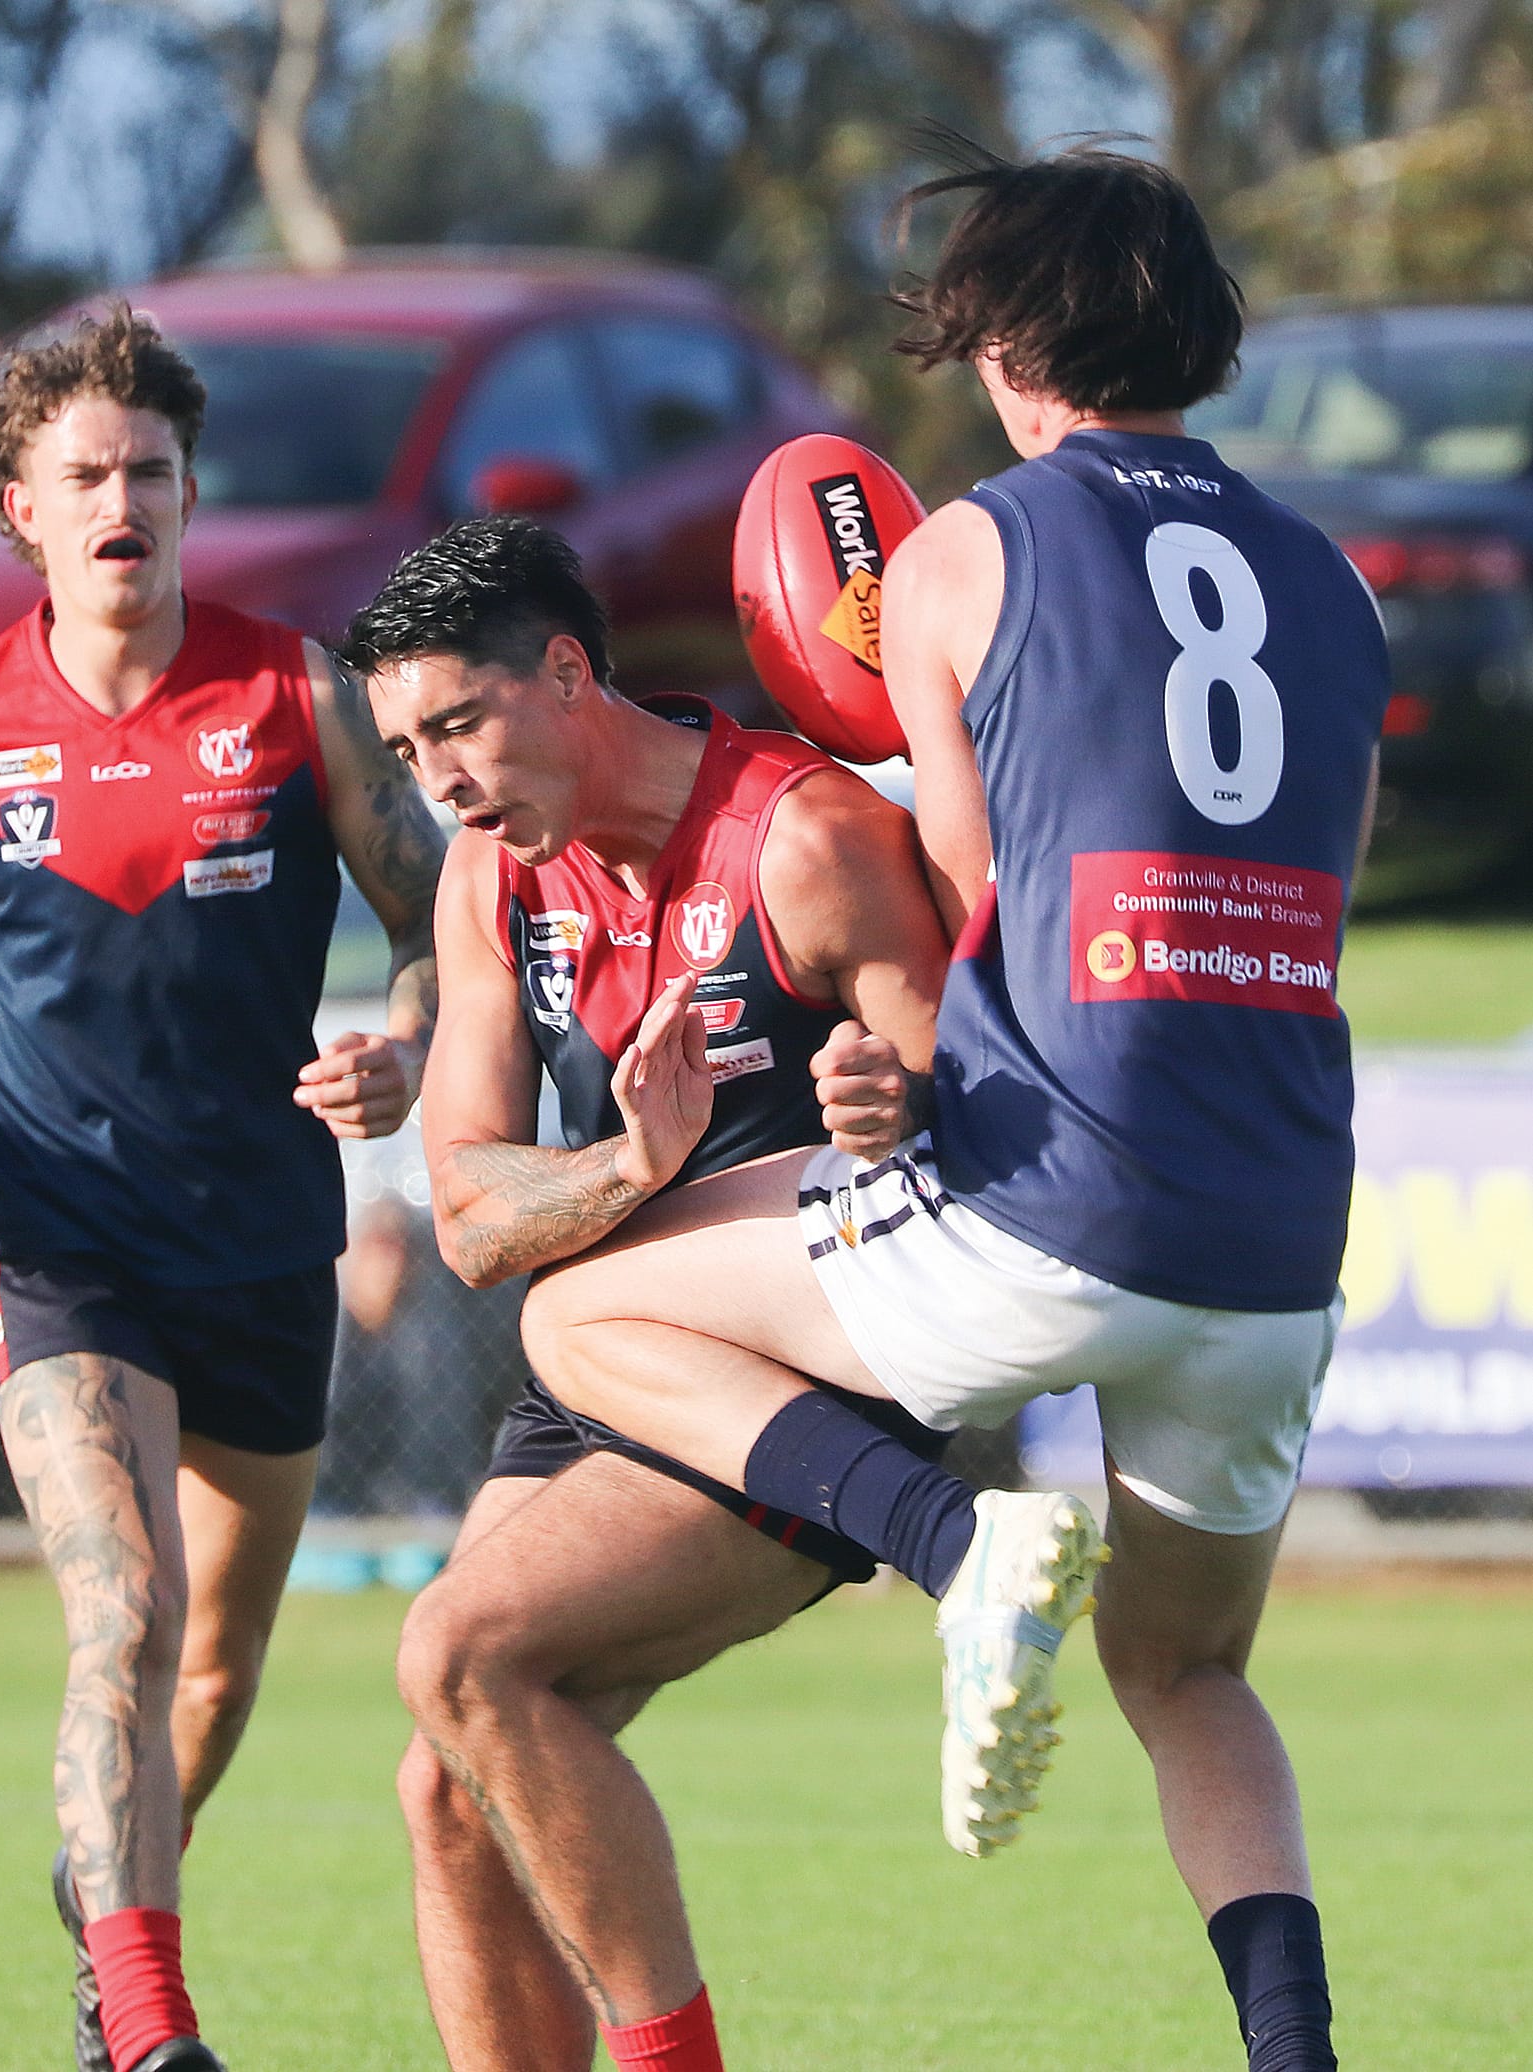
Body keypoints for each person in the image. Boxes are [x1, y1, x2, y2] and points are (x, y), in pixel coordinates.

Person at [412, 145, 1390, 2072]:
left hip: (1056, 1201)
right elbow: (1317, 892)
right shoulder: (1334, 581)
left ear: (1007, 336)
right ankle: (1294, 2055)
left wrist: (896, 1024)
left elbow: (964, 888)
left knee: (575, 1305)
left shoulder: (965, 550)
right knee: (1188, 1671)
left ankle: (956, 1552)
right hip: (1280, 1238)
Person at [0, 307, 445, 2072]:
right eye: (84, 474)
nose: (123, 500)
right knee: (125, 1605)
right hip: (59, 1231)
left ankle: (106, 1887)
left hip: (263, 1243)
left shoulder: (292, 689)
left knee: (215, 1676)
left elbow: (433, 920)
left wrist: (400, 1043)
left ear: (188, 494)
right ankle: (148, 2024)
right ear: (18, 506)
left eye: (151, 472)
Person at [340, 514, 952, 2071]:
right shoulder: (497, 886)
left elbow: (987, 1113)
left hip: (801, 1384)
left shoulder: (805, 843)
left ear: (563, 672)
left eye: (460, 725)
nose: (442, 782)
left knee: (463, 1658)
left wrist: (901, 1103)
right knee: (443, 1783)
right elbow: (474, 1218)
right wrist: (626, 1165)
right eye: (408, 749)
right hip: (602, 1358)